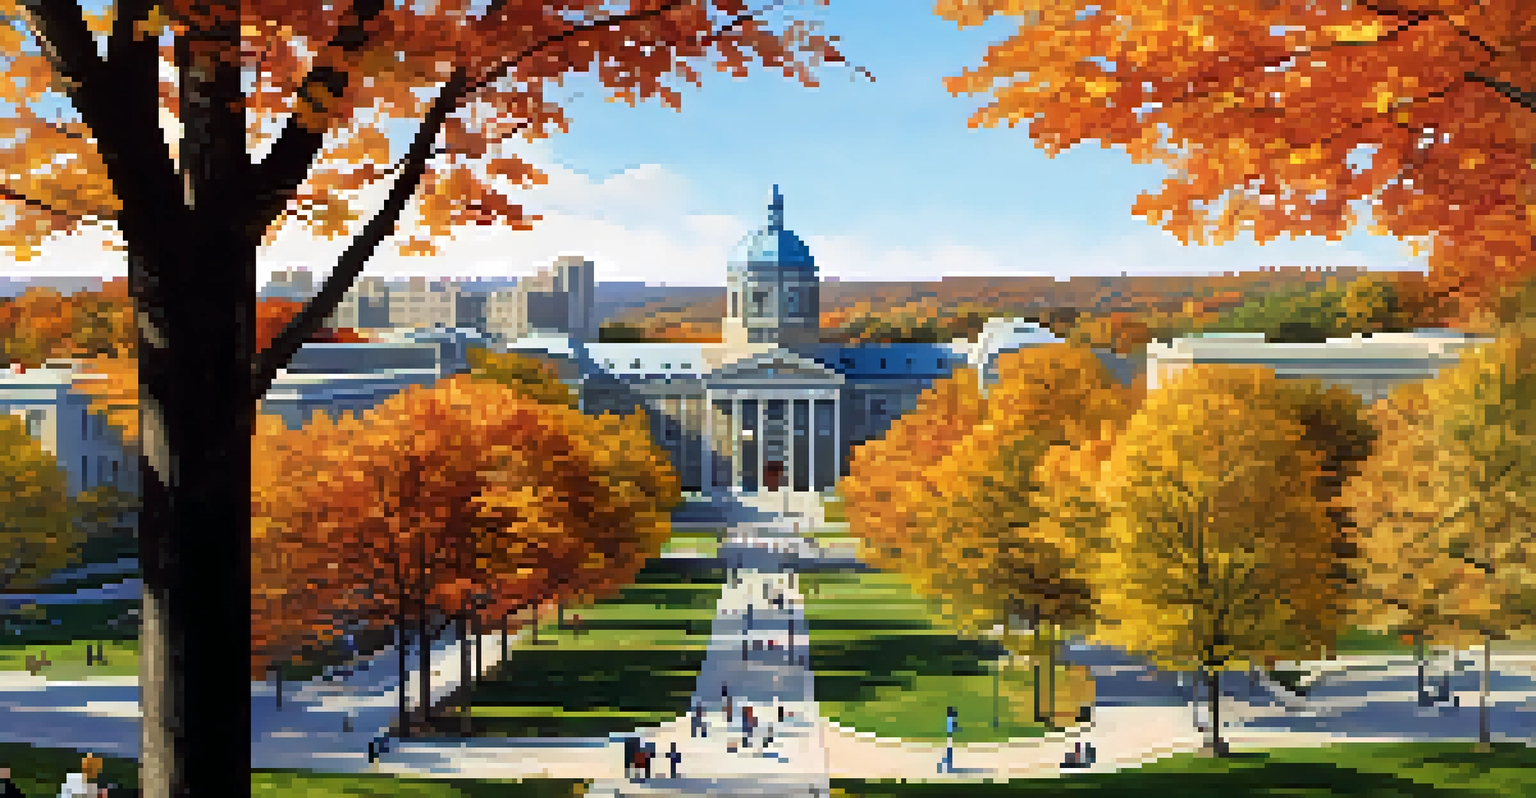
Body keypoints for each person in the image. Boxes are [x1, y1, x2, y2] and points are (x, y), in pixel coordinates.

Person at [938, 707, 958, 774]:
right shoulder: (951, 720)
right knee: (949, 750)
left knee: (948, 750)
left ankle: (947, 764)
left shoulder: (948, 720)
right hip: (950, 737)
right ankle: (947, 764)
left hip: (949, 736)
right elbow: (953, 727)